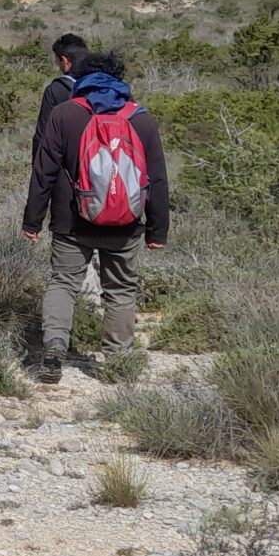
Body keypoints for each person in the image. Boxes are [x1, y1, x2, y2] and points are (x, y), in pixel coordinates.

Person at [22, 51, 168, 384]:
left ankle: (54, 352)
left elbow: (42, 172)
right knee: (120, 291)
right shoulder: (140, 118)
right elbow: (157, 178)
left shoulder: (66, 114)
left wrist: (33, 220)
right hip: (127, 224)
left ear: (81, 77)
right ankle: (117, 364)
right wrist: (157, 229)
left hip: (70, 220)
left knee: (63, 283)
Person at [39, 33, 89, 136]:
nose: (58, 65)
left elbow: (43, 133)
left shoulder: (56, 90)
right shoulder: (107, 85)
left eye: (58, 61)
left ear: (65, 61)